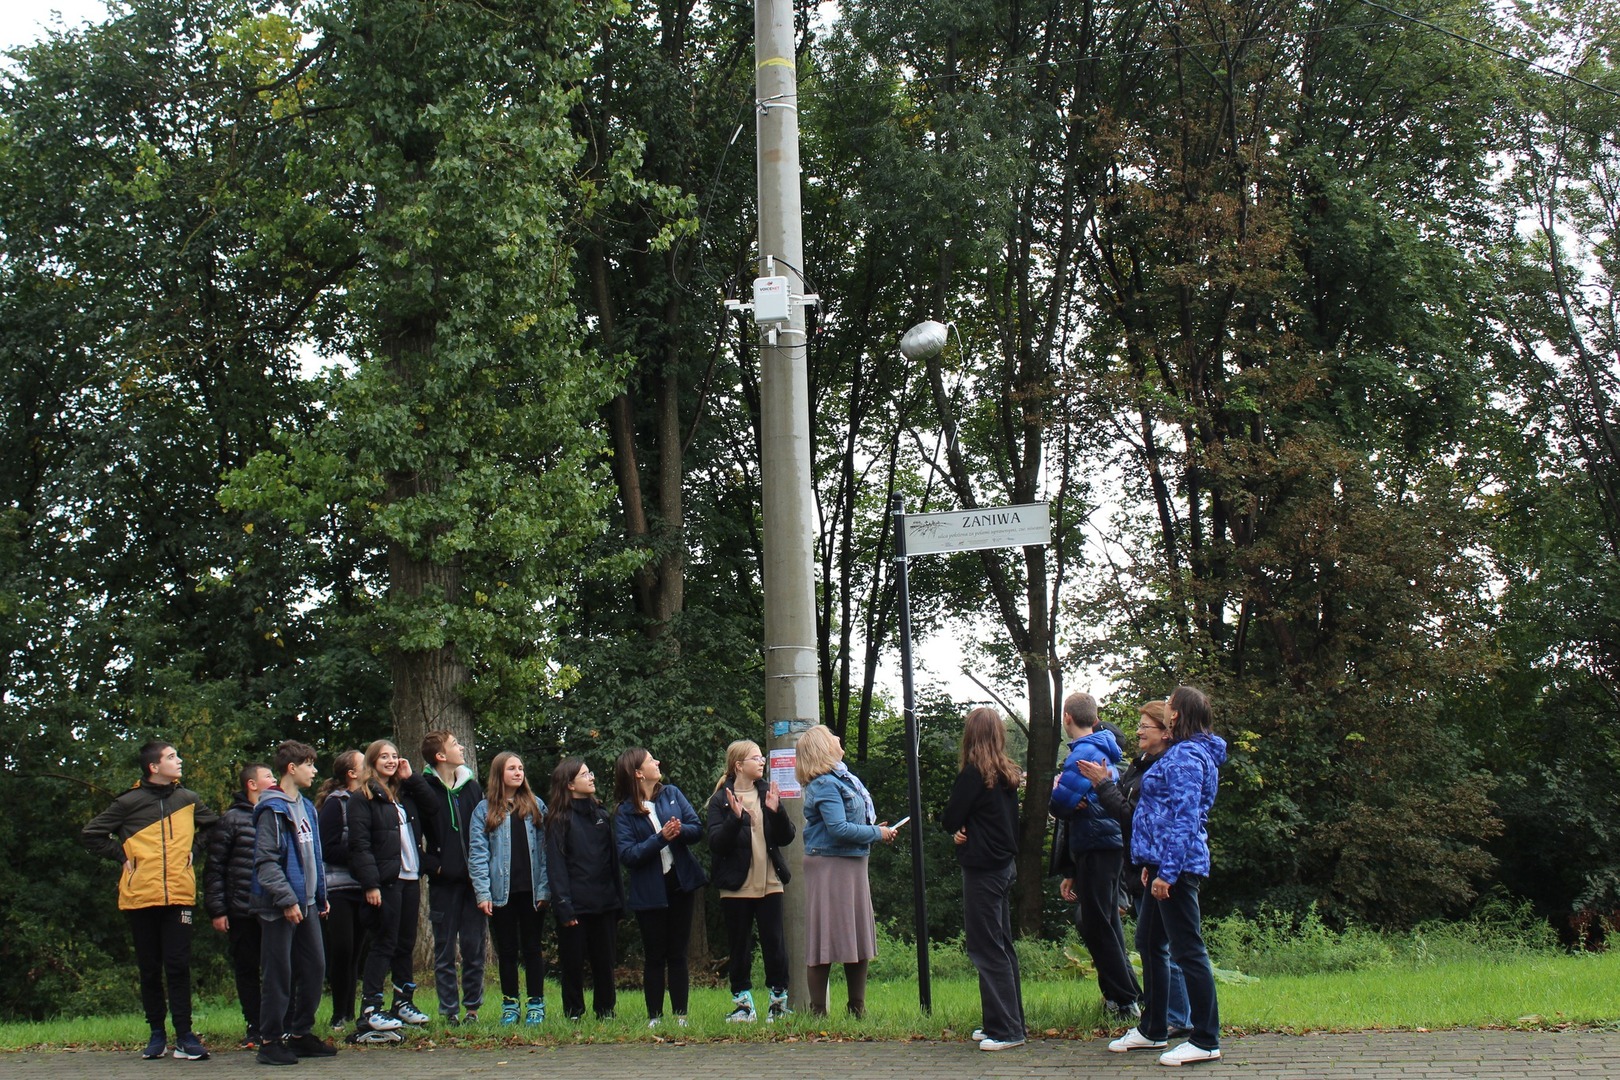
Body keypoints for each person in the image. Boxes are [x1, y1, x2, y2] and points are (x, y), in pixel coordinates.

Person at [1109, 686, 1228, 1066]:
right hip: (1160, 865)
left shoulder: (1188, 757)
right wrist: (1149, 865)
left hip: (1176, 868)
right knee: (1149, 942)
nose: (1167, 711)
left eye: (1170, 707)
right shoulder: (1182, 753)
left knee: (1188, 951)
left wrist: (1169, 874)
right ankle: (1152, 1029)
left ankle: (1206, 1038)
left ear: (1176, 715)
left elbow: (1185, 819)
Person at [81, 739, 220, 1062]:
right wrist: (121, 855)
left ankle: (185, 1035)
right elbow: (91, 833)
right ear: (153, 767)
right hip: (140, 896)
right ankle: (157, 1033)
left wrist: (195, 850)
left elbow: (214, 827)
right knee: (149, 968)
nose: (180, 760)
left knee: (177, 965)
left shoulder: (188, 798)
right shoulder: (129, 802)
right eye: (172, 757)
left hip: (180, 895)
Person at [1078, 701, 1192, 1037]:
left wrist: (1102, 785)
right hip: (1141, 864)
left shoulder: (1160, 769)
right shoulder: (1142, 765)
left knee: (1164, 947)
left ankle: (1177, 1017)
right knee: (1155, 943)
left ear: (1165, 732)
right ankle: (1168, 1017)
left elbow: (1130, 814)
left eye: (1145, 726)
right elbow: (1125, 807)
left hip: (1157, 865)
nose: (1138, 731)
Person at [1049, 692, 1141, 1018]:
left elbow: (1059, 804)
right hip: (1108, 843)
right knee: (1105, 921)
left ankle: (1126, 997)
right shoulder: (1105, 748)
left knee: (1096, 923)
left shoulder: (1082, 754)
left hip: (1096, 844)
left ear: (1067, 717)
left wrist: (1057, 788)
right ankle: (1125, 995)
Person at [796, 724, 897, 1019]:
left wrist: (873, 832)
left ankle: (857, 1008)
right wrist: (877, 834)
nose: (838, 739)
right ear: (822, 749)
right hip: (829, 863)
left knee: (856, 934)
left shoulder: (842, 779)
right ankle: (818, 1013)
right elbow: (838, 829)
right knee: (824, 936)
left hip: (851, 862)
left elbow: (849, 825)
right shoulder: (825, 784)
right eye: (832, 737)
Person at [941, 707, 1026, 1051]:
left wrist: (960, 829)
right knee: (1002, 945)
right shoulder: (1008, 774)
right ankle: (1005, 1020)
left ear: (969, 736)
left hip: (983, 871)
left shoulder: (974, 775)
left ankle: (1007, 1030)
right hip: (1005, 867)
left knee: (986, 948)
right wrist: (968, 827)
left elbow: (949, 818)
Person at [252, 740, 338, 1065]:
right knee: (278, 973)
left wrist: (320, 896)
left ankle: (301, 1034)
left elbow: (313, 856)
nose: (315, 771)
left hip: (308, 905)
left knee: (316, 966)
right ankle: (270, 1040)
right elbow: (266, 862)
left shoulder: (307, 807)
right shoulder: (272, 809)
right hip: (280, 907)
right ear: (292, 768)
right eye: (309, 764)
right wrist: (287, 899)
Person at [614, 747, 707, 1027]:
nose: (658, 762)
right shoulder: (624, 812)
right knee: (655, 954)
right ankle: (654, 1017)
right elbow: (628, 854)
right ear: (639, 773)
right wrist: (660, 837)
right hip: (649, 890)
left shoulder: (672, 794)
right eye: (651, 760)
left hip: (680, 883)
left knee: (678, 953)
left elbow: (696, 828)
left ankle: (681, 1016)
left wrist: (679, 830)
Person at [704, 740, 795, 1024]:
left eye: (762, 758)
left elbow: (786, 836)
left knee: (775, 945)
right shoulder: (720, 800)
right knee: (739, 947)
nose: (762, 762)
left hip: (769, 882)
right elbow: (717, 844)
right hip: (736, 885)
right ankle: (743, 1005)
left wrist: (776, 811)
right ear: (738, 765)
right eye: (756, 758)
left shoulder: (768, 791)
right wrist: (735, 818)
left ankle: (777, 1004)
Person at [346, 740, 425, 1041]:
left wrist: (410, 776)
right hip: (385, 880)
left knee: (405, 943)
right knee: (384, 941)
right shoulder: (362, 797)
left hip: (410, 877)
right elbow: (359, 845)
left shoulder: (400, 795)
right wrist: (371, 883)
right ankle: (370, 1007)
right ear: (372, 760)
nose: (391, 761)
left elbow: (430, 807)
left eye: (395, 756)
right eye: (384, 757)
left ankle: (403, 1001)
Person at [470, 752, 550, 1025]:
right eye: (512, 768)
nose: (518, 772)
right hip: (500, 893)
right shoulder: (484, 810)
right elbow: (478, 854)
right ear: (499, 774)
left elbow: (546, 851)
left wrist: (545, 889)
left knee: (532, 948)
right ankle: (510, 1004)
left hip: (531, 892)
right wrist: (483, 893)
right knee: (507, 949)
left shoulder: (536, 806)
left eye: (521, 768)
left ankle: (536, 1003)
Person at [205, 761, 275, 1050]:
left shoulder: (276, 813)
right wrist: (218, 909)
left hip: (273, 906)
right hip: (242, 908)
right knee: (247, 968)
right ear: (252, 784)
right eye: (268, 776)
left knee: (277, 967)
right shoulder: (231, 819)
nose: (274, 779)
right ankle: (254, 1025)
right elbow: (214, 867)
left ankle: (277, 1023)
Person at [546, 758, 623, 1021]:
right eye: (584, 774)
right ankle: (574, 1012)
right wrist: (564, 906)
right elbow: (556, 865)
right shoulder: (559, 820)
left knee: (605, 962)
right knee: (573, 963)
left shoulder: (601, 815)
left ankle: (606, 1011)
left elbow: (612, 861)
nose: (591, 777)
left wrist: (619, 901)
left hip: (605, 902)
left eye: (590, 772)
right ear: (569, 784)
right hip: (575, 904)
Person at [418, 729, 486, 1025]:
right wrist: (435, 866)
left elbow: (485, 830)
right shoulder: (423, 789)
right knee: (445, 948)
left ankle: (472, 1008)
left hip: (474, 883)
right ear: (440, 756)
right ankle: (449, 1011)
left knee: (474, 946)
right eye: (455, 744)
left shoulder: (472, 788)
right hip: (443, 883)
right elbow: (409, 837)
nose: (461, 747)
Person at [315, 750, 365, 1033]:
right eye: (363, 763)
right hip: (338, 888)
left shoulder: (368, 799)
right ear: (351, 773)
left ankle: (350, 1011)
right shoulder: (336, 804)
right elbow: (328, 847)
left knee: (357, 952)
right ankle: (337, 1013)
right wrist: (361, 852)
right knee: (342, 949)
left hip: (363, 886)